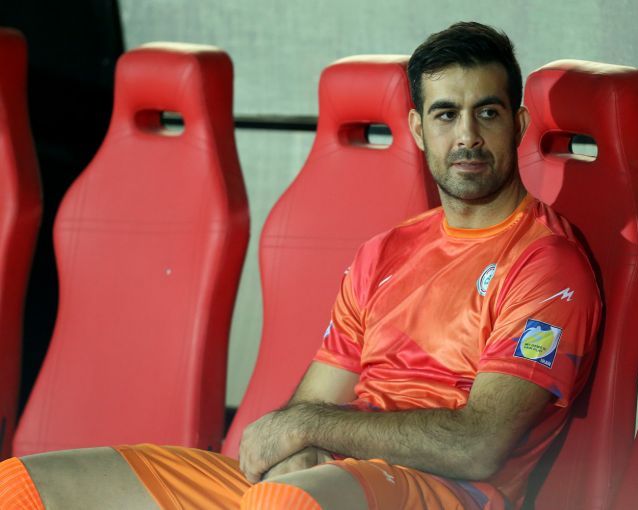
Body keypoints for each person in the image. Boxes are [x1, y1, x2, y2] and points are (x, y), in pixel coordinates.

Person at [0, 21, 601, 510]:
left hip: (450, 491)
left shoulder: (546, 263)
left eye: (487, 113)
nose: (467, 136)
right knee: (21, 487)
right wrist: (303, 442)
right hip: (329, 482)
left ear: (518, 124)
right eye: (446, 115)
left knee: (286, 500)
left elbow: (479, 446)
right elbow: (306, 411)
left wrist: (312, 433)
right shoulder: (385, 252)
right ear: (419, 130)